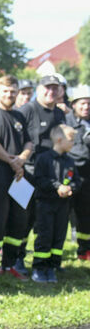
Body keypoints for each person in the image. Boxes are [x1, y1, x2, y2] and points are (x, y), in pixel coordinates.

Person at [0, 75, 33, 280]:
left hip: (20, 174)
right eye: (5, 91)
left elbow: (29, 143)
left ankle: (10, 264)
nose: (9, 94)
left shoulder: (20, 116)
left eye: (13, 91)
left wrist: (21, 159)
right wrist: (11, 161)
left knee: (19, 220)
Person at [17, 74, 68, 275]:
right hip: (27, 173)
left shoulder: (59, 114)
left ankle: (47, 261)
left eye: (55, 88)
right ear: (39, 89)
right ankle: (16, 258)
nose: (51, 92)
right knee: (22, 219)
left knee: (45, 221)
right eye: (47, 88)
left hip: (50, 177)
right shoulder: (27, 110)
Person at [31, 125, 80, 282]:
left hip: (63, 206)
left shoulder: (70, 161)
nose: (73, 143)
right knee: (45, 235)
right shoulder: (44, 159)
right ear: (59, 140)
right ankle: (40, 268)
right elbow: (38, 179)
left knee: (59, 236)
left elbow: (76, 181)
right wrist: (57, 187)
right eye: (71, 140)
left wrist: (70, 188)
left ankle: (52, 267)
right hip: (45, 204)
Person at [65, 85, 90, 260]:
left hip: (88, 177)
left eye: (89, 104)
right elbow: (75, 152)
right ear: (74, 104)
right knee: (62, 214)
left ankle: (84, 250)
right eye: (82, 103)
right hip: (69, 175)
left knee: (85, 214)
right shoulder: (66, 122)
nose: (86, 107)